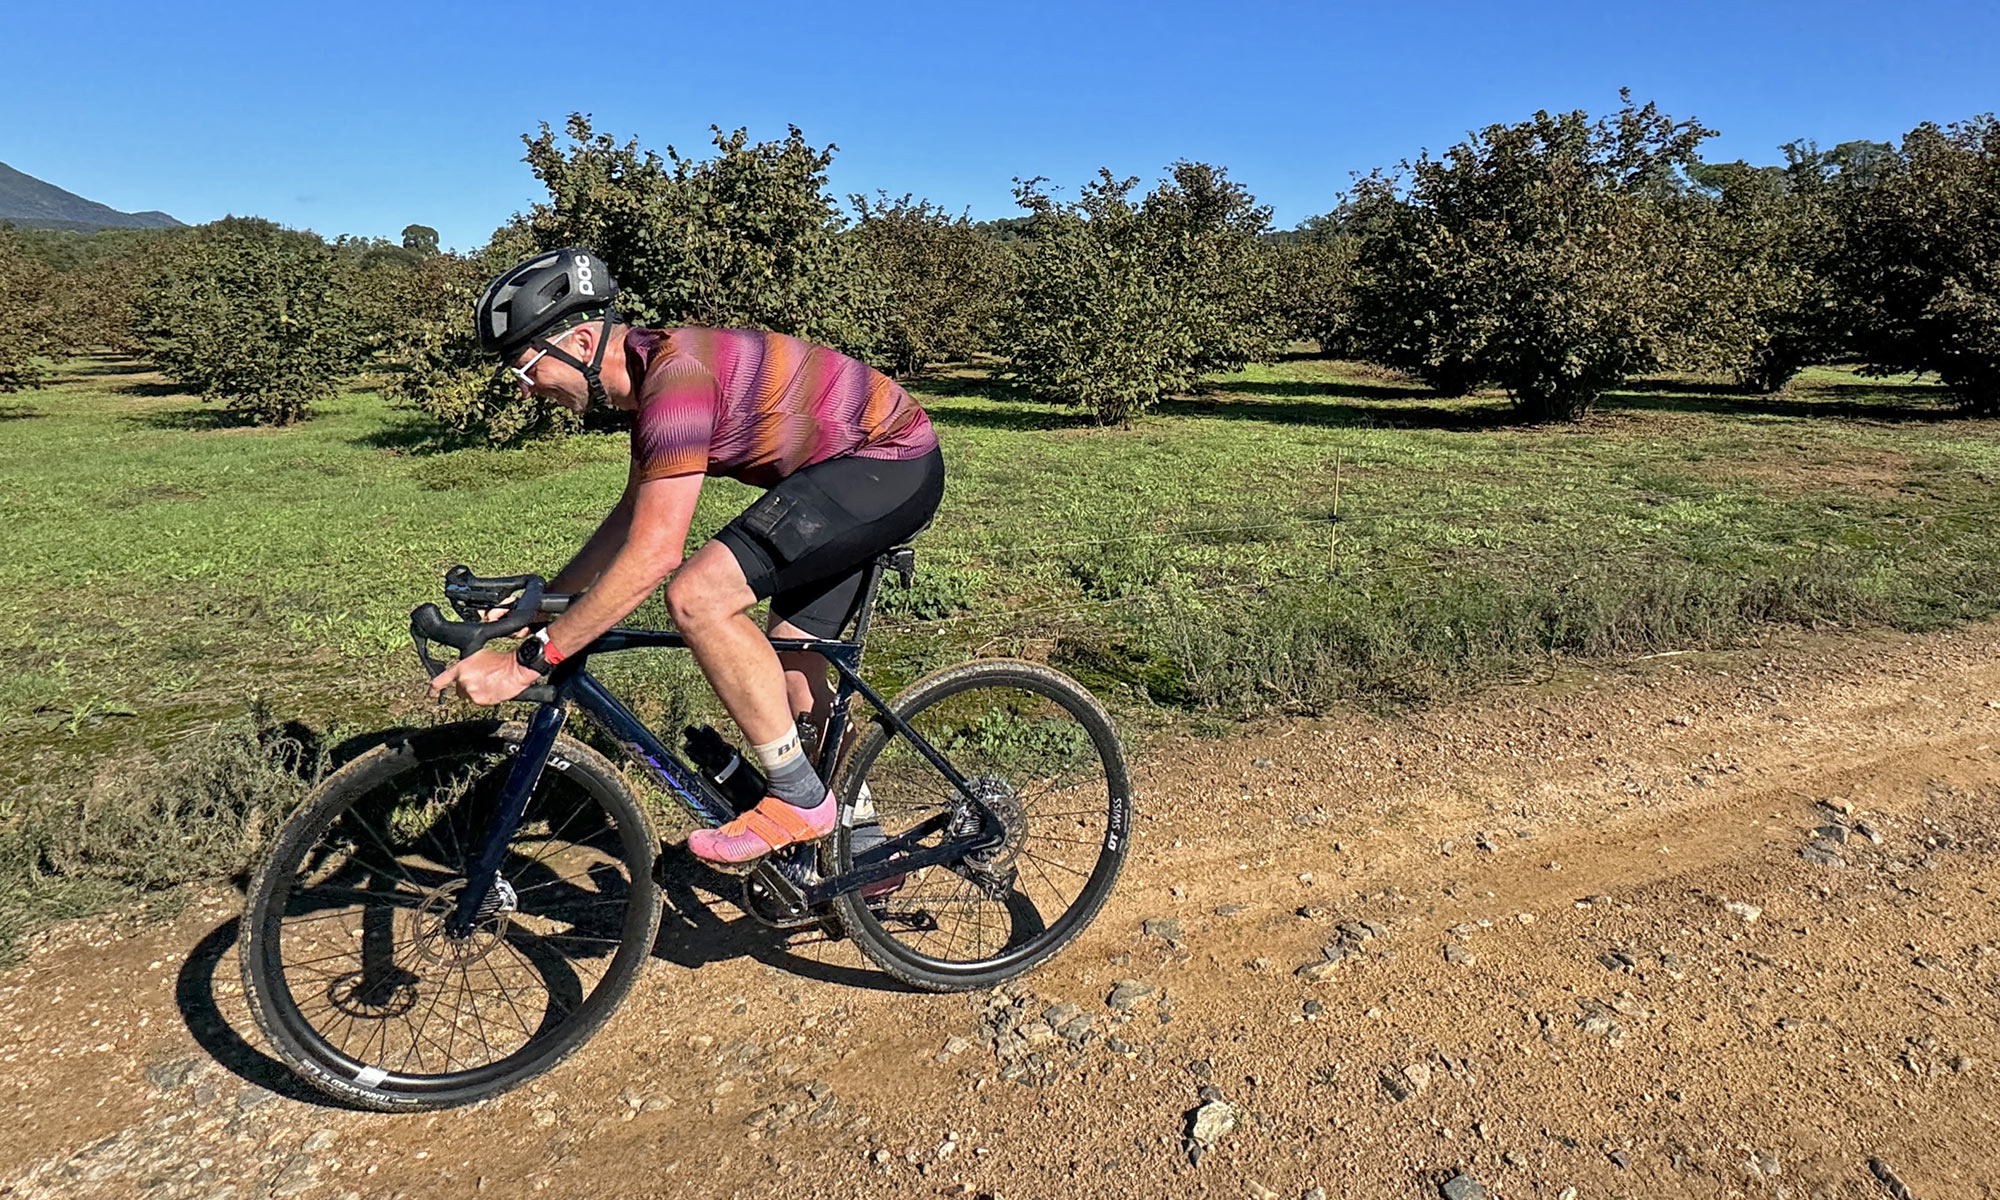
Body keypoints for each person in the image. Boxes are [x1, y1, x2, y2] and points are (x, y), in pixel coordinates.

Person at [430, 248, 943, 871]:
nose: (522, 385)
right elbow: (630, 518)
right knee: (788, 665)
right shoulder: (652, 377)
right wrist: (541, 610)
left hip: (886, 463)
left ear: (583, 339)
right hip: (839, 471)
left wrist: (525, 665)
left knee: (698, 596)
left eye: (525, 364)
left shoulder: (676, 383)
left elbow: (654, 554)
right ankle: (861, 848)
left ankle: (800, 800)